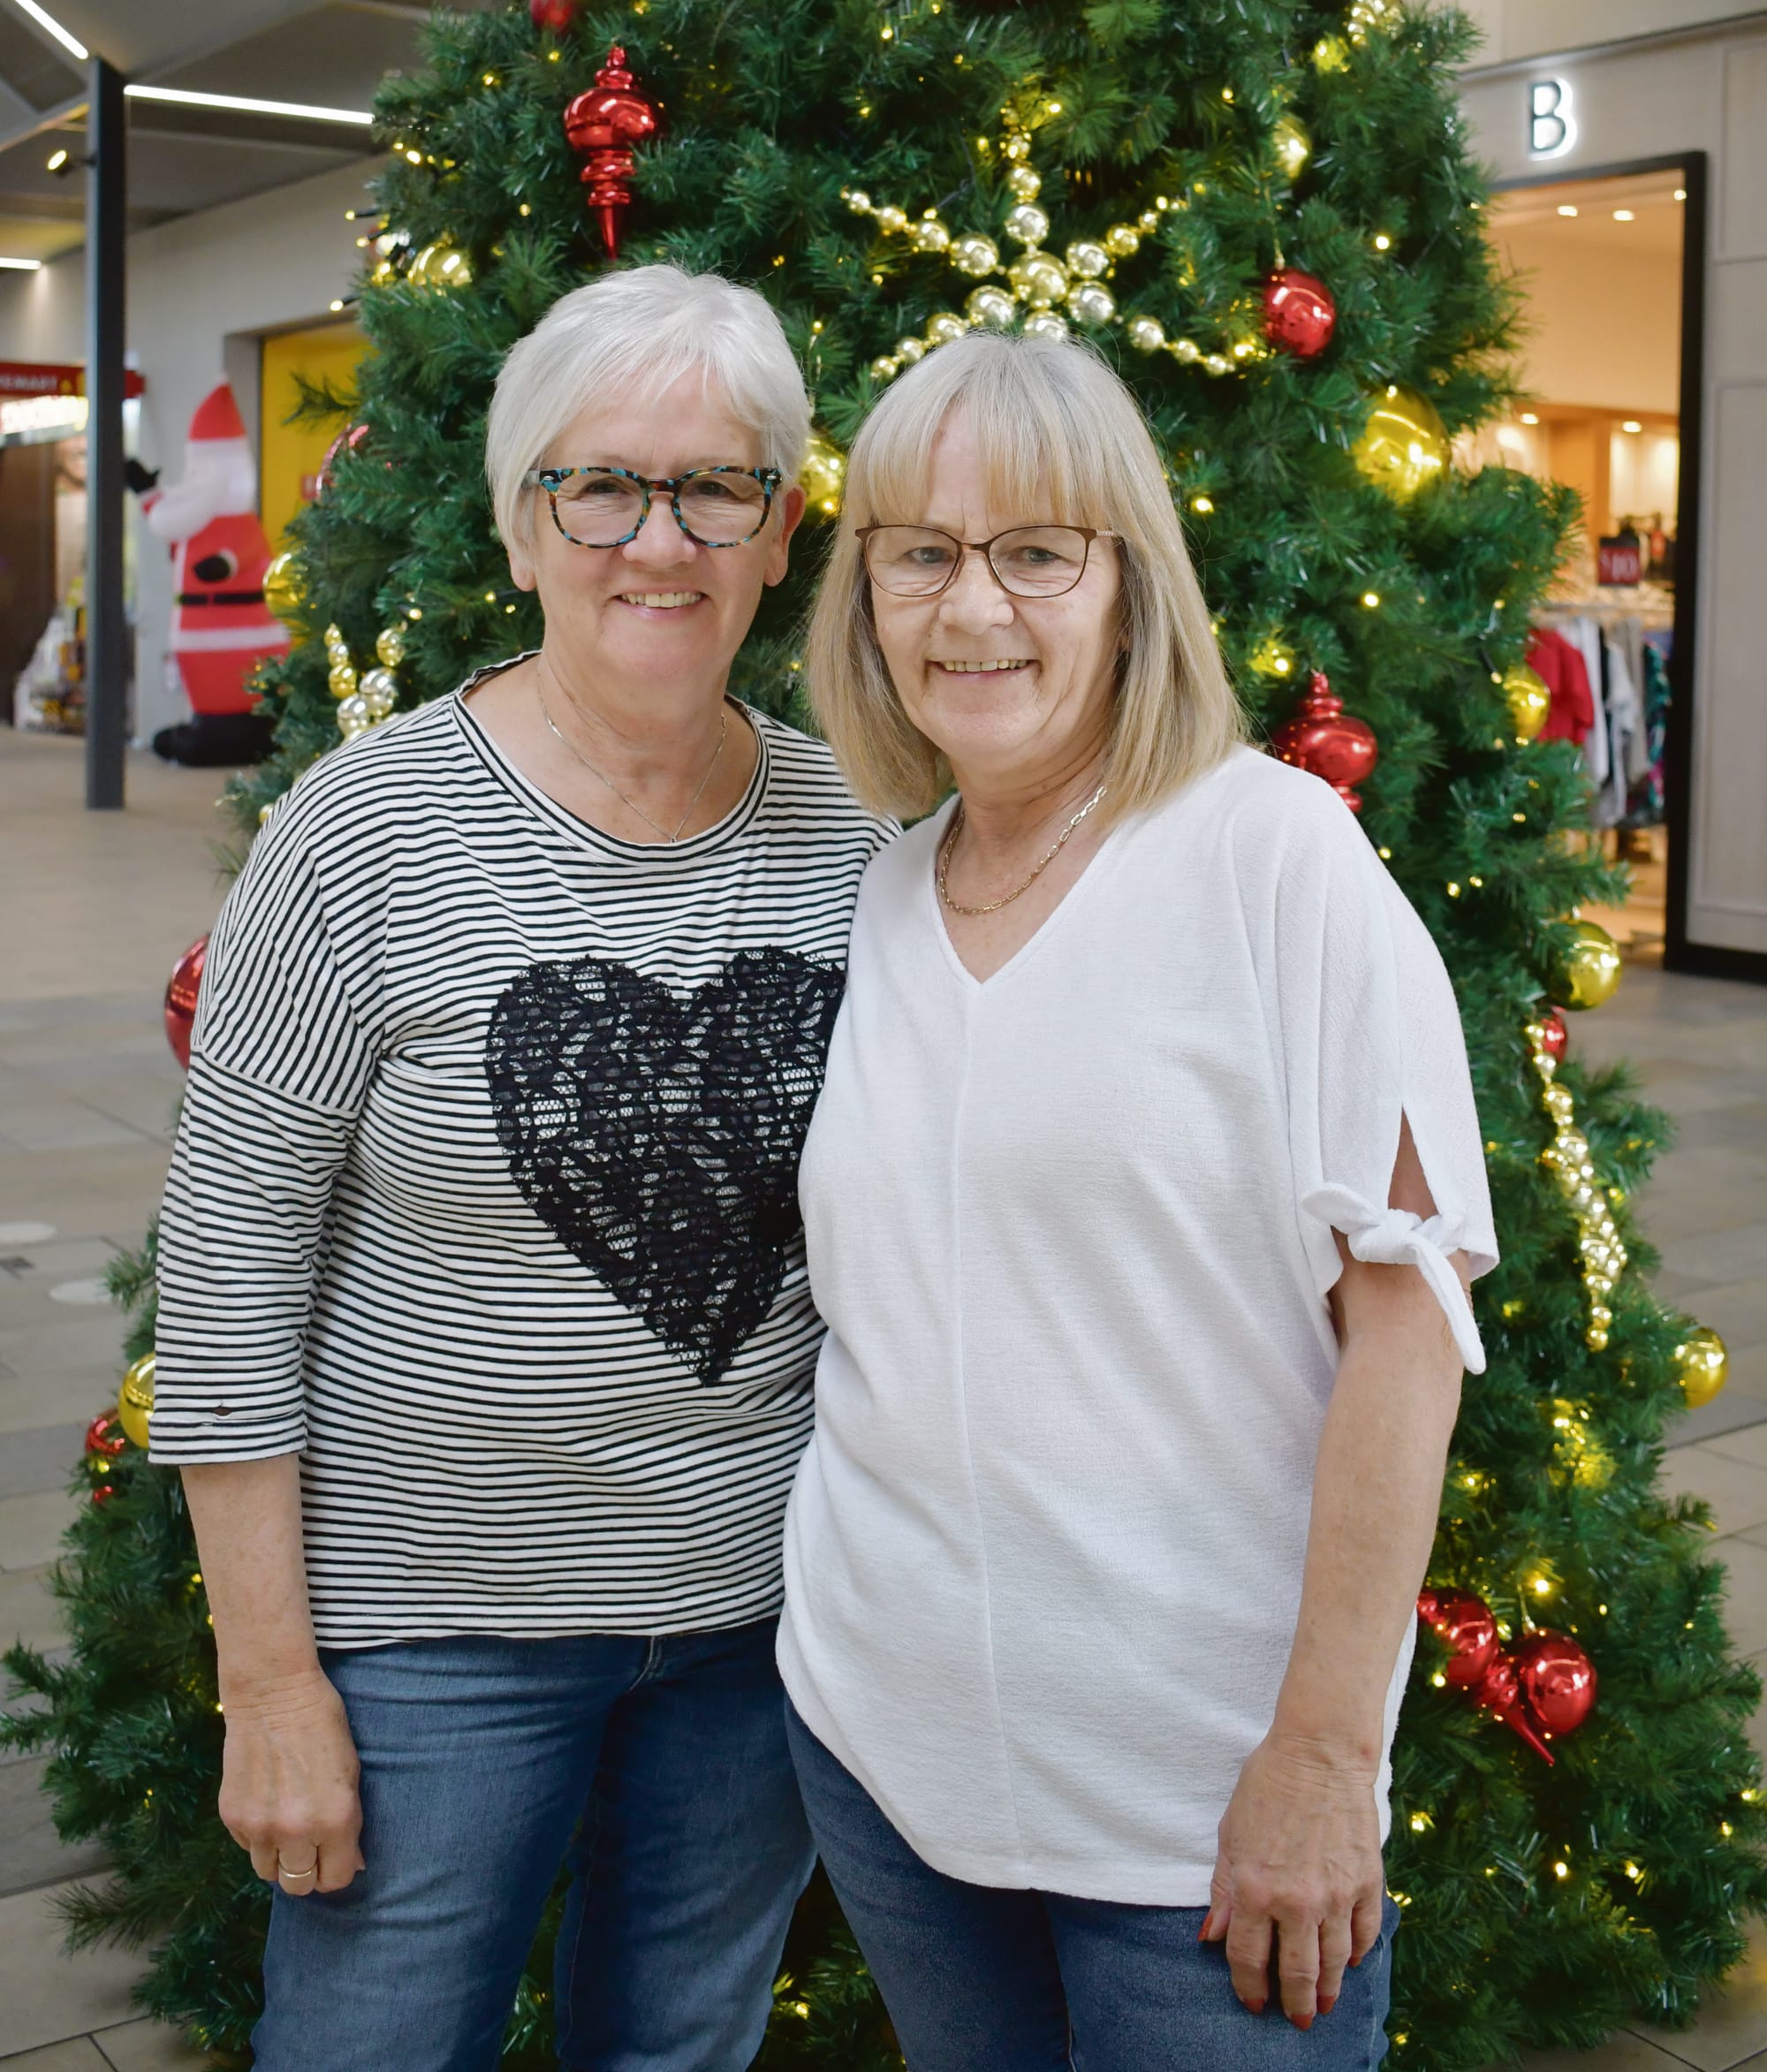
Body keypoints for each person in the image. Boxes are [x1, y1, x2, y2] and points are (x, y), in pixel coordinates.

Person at [151, 265, 893, 2072]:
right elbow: (231, 1262)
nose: (661, 538)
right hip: (428, 1644)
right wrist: (271, 1685)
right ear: (521, 521)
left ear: (783, 525)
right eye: (602, 484)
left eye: (718, 484)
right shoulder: (365, 827)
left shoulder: (857, 835)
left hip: (751, 1625)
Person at [781, 330, 1497, 2071]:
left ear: (1126, 583)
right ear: (862, 587)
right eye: (920, 553)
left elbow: (1407, 1332)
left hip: (1204, 1819)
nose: (974, 610)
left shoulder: (1271, 861)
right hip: (888, 1761)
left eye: (1037, 551)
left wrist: (1324, 1758)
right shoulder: (883, 894)